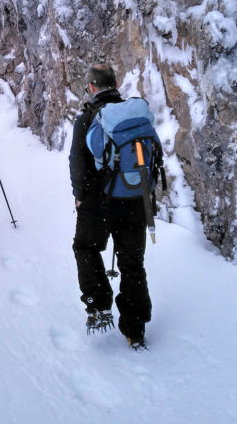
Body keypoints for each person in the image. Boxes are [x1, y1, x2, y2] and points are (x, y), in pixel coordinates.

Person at [68, 63, 152, 350]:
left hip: (98, 201)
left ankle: (98, 304)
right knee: (132, 263)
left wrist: (80, 196)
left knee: (85, 248)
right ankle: (135, 328)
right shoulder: (134, 114)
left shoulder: (87, 117)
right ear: (115, 84)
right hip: (134, 200)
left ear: (92, 87)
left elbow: (78, 164)